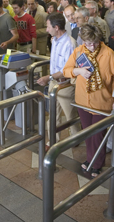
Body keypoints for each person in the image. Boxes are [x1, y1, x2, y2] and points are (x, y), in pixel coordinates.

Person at [63, 24, 114, 178]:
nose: (91, 46)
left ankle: (97, 164)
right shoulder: (78, 51)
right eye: (88, 43)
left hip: (102, 102)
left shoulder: (109, 55)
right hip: (82, 101)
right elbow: (66, 70)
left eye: (94, 42)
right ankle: (90, 159)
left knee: (97, 136)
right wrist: (78, 71)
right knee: (88, 134)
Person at [36, 13, 80, 150]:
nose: (46, 30)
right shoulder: (54, 40)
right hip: (54, 83)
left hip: (65, 85)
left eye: (48, 27)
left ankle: (76, 138)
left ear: (56, 27)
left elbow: (68, 69)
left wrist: (48, 77)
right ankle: (52, 140)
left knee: (70, 115)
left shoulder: (70, 43)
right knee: (53, 114)